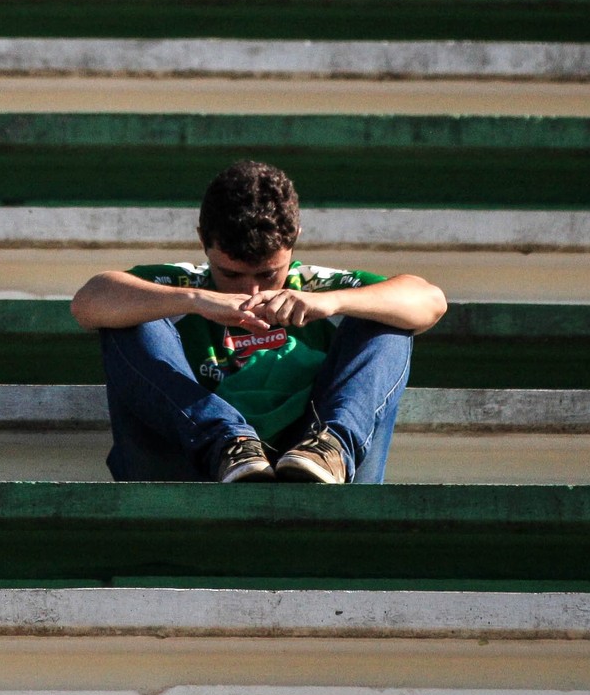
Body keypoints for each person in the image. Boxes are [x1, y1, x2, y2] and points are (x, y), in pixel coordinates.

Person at [70, 160, 447, 483]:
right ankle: (227, 442)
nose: (251, 292)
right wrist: (196, 299)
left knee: (384, 315)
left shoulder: (317, 287)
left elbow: (430, 301)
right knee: (133, 311)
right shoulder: (187, 284)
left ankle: (330, 446)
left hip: (317, 463)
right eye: (231, 276)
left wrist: (330, 303)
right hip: (192, 460)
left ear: (294, 239)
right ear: (203, 240)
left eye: (268, 275)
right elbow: (89, 301)